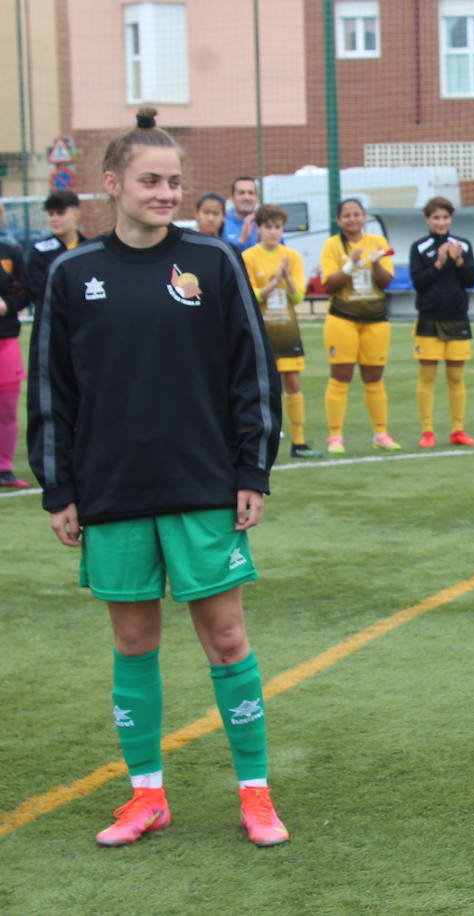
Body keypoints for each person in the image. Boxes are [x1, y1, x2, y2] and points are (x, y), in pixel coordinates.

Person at [27, 107, 288, 847]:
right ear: (111, 185)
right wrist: (60, 487)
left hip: (203, 482)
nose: (166, 193)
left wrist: (252, 469)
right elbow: (53, 387)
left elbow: (252, 372)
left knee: (228, 638)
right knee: (134, 642)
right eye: (150, 180)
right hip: (112, 491)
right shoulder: (73, 273)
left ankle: (256, 793)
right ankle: (147, 796)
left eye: (175, 181)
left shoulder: (212, 261)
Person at [319, 198, 398, 454]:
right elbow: (329, 284)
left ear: (364, 217)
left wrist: (375, 262)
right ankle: (335, 436)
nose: (352, 219)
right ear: (338, 220)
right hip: (342, 318)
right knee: (341, 377)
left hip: (375, 320)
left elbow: (386, 282)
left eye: (357, 214)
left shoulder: (378, 243)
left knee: (374, 379)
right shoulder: (332, 245)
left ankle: (380, 433)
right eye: (347, 215)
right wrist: (351, 264)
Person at [243, 204, 321, 458]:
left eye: (277, 227)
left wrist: (286, 279)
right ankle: (262, 440)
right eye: (268, 227)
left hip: (286, 331)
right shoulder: (249, 257)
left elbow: (298, 297)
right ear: (259, 228)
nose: (273, 232)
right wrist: (272, 283)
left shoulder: (292, 257)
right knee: (262, 388)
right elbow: (250, 296)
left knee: (293, 383)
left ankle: (299, 442)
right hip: (261, 333)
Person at [409, 196, 474, 448]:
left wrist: (459, 261)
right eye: (436, 217)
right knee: (427, 376)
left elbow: (471, 280)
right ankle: (427, 431)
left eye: (445, 217)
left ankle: (458, 430)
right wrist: (438, 262)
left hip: (458, 318)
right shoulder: (419, 247)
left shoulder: (464, 246)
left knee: (456, 377)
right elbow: (418, 283)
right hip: (429, 318)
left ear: (451, 219)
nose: (441, 222)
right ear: (427, 219)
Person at [25, 190, 87, 317]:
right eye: (51, 214)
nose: (54, 219)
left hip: (85, 318)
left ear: (77, 214)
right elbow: (34, 289)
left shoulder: (89, 248)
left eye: (61, 213)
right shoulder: (40, 250)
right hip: (53, 319)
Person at [0, 226, 28, 488]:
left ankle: (4, 469)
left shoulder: (10, 252)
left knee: (7, 409)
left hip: (6, 339)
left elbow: (24, 289)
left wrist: (6, 304)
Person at [222, 177, 259, 251]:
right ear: (232, 197)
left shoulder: (265, 223)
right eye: (241, 193)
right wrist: (242, 241)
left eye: (251, 193)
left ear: (257, 197)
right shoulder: (222, 223)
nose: (246, 197)